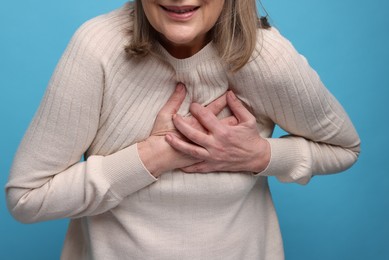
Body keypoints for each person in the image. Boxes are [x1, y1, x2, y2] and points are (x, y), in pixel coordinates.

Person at [6, 0, 360, 259]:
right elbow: (26, 198)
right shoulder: (97, 49)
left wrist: (260, 155)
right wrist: (152, 157)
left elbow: (345, 149)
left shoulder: (265, 57)